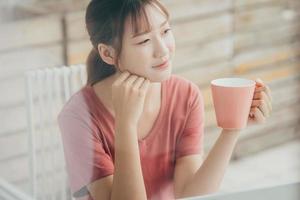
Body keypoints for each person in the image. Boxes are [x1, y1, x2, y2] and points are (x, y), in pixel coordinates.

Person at [57, 0, 273, 200]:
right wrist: (125, 124)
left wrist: (232, 129)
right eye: (144, 40)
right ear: (108, 53)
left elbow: (190, 194)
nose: (163, 51)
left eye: (166, 31)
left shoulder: (185, 95)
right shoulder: (77, 117)